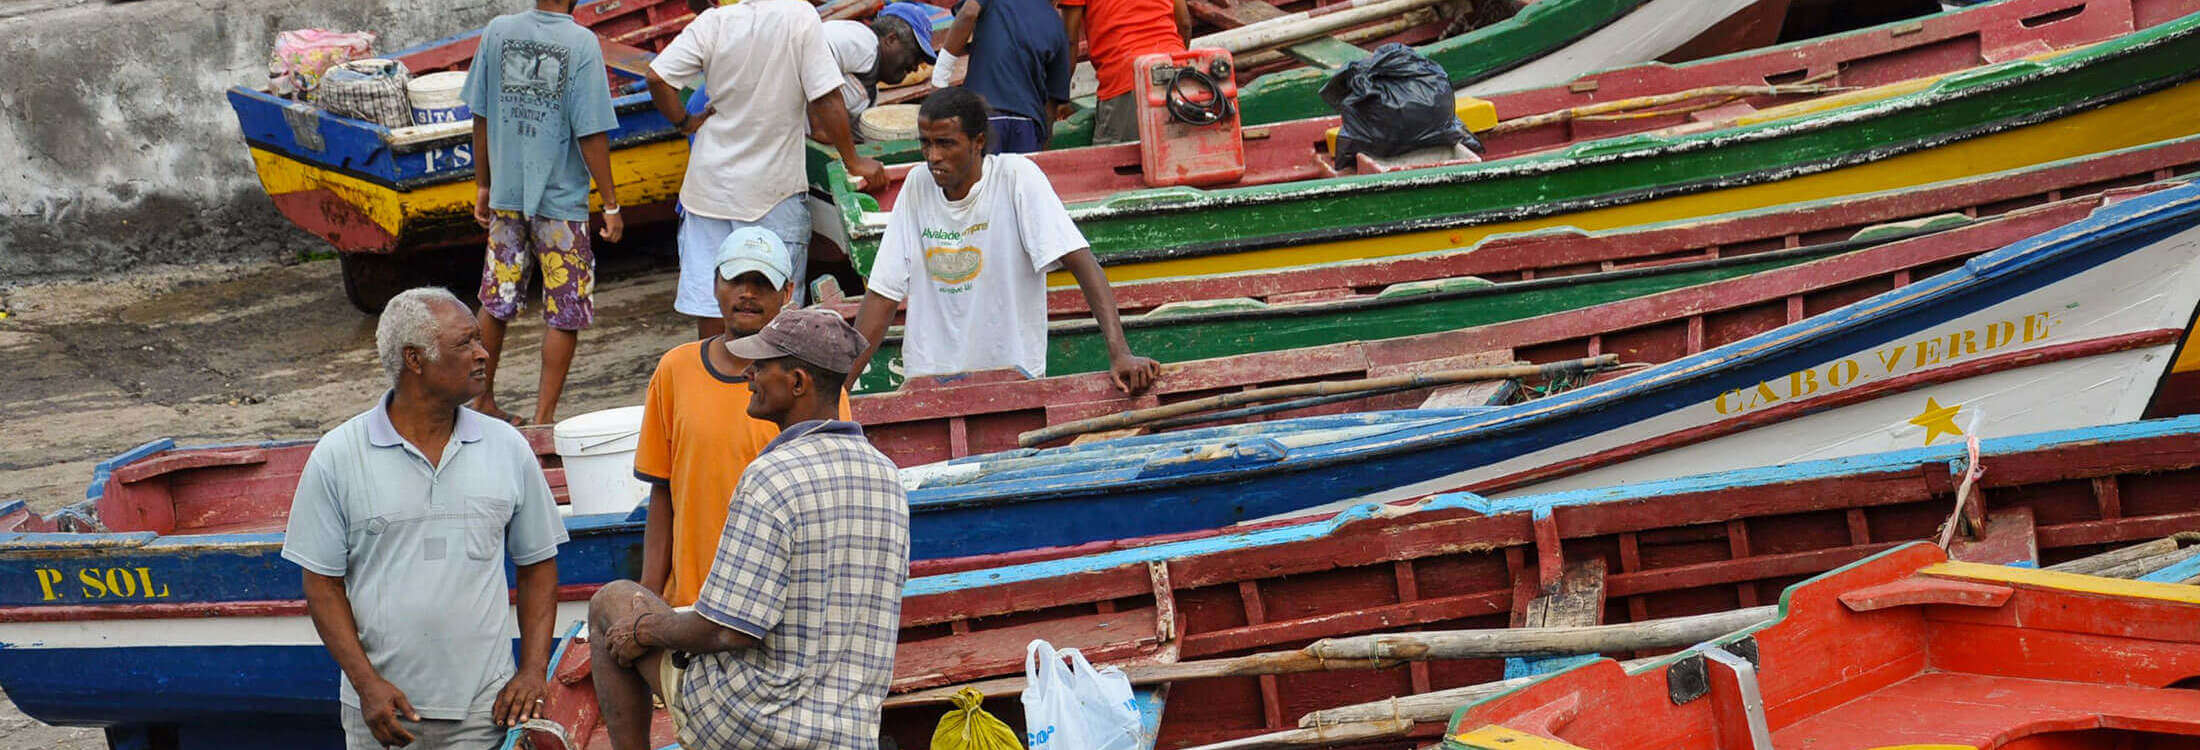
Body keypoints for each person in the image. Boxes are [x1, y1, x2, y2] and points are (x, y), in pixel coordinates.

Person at [587, 308, 909, 750]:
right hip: (848, 731)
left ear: (797, 383)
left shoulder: (770, 476)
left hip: (756, 722)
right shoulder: (887, 475)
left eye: (760, 366)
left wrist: (644, 629)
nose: (748, 376)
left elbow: (726, 630)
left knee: (612, 602)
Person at [284, 287, 568, 750]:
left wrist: (534, 671)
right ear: (414, 360)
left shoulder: (508, 447)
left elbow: (537, 563)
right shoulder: (337, 456)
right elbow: (321, 585)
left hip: (486, 712)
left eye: (480, 340)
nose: (483, 354)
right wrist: (366, 685)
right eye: (466, 344)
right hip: (382, 716)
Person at [852, 88, 1161, 391]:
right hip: (930, 382)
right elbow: (883, 293)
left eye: (946, 144)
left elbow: (1081, 261)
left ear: (978, 142)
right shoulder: (917, 185)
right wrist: (842, 389)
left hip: (1011, 380)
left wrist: (1119, 351)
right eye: (926, 144)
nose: (933, 156)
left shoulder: (1016, 178)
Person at [632, 227, 852, 608]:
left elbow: (833, 500)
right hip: (691, 601)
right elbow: (663, 490)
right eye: (736, 280)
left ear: (787, 294)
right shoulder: (674, 370)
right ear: (715, 284)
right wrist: (650, 595)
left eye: (761, 283)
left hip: (780, 603)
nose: (747, 293)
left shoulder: (813, 384)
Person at [646, 0, 888, 337]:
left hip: (708, 190)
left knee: (712, 307)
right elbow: (826, 98)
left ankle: (718, 384)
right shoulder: (799, 16)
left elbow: (657, 77)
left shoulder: (715, 21)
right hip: (772, 191)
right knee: (776, 315)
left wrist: (685, 122)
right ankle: (768, 388)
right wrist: (854, 161)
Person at [461, 0, 624, 426]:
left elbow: (480, 116)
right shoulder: (582, 43)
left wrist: (484, 183)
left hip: (506, 197)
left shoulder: (497, 31)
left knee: (496, 300)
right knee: (565, 309)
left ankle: (482, 401)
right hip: (561, 206)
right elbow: (590, 133)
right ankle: (544, 418)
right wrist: (610, 203)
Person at [685, 3, 938, 140]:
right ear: (891, 39)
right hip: (722, 107)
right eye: (915, 55)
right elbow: (814, 51)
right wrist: (820, 127)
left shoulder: (870, 90)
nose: (916, 67)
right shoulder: (861, 40)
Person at [934, 0, 1074, 153]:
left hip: (984, 116)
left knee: (979, 177)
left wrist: (939, 79)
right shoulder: (1056, 24)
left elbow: (968, 13)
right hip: (1028, 125)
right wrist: (1039, 157)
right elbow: (1051, 107)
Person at [1062, 0, 1191, 144]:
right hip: (1178, 72)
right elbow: (1184, 23)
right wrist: (1177, 62)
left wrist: (1059, 96)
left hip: (1125, 77)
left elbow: (1069, 41)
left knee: (1116, 161)